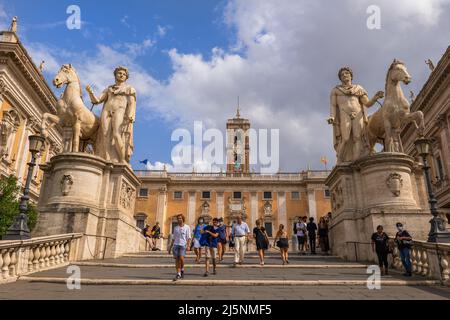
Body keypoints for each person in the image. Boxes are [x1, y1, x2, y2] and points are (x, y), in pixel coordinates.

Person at [328, 67, 384, 163]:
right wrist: (332, 116)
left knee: (357, 138)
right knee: (345, 138)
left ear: (351, 76)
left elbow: (367, 104)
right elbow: (333, 105)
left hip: (358, 114)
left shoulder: (359, 88)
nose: (344, 75)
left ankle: (356, 161)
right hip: (344, 114)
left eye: (346, 73)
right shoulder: (336, 90)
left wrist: (375, 97)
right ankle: (340, 160)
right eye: (342, 75)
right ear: (340, 78)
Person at [168, 214, 192, 281]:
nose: (179, 219)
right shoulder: (175, 228)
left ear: (183, 219)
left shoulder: (187, 227)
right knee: (177, 260)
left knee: (181, 258)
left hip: (183, 245)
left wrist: (188, 245)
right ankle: (178, 273)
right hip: (176, 245)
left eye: (180, 218)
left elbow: (189, 237)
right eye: (178, 218)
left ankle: (182, 269)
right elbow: (173, 238)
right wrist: (170, 247)